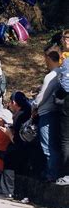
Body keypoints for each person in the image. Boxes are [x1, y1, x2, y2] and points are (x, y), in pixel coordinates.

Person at [33, 50, 62, 182]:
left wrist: (34, 105)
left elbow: (42, 96)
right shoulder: (62, 73)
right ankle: (52, 172)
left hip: (46, 112)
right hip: (56, 112)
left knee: (48, 146)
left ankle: (52, 174)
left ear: (49, 58)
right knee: (54, 144)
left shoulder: (50, 76)